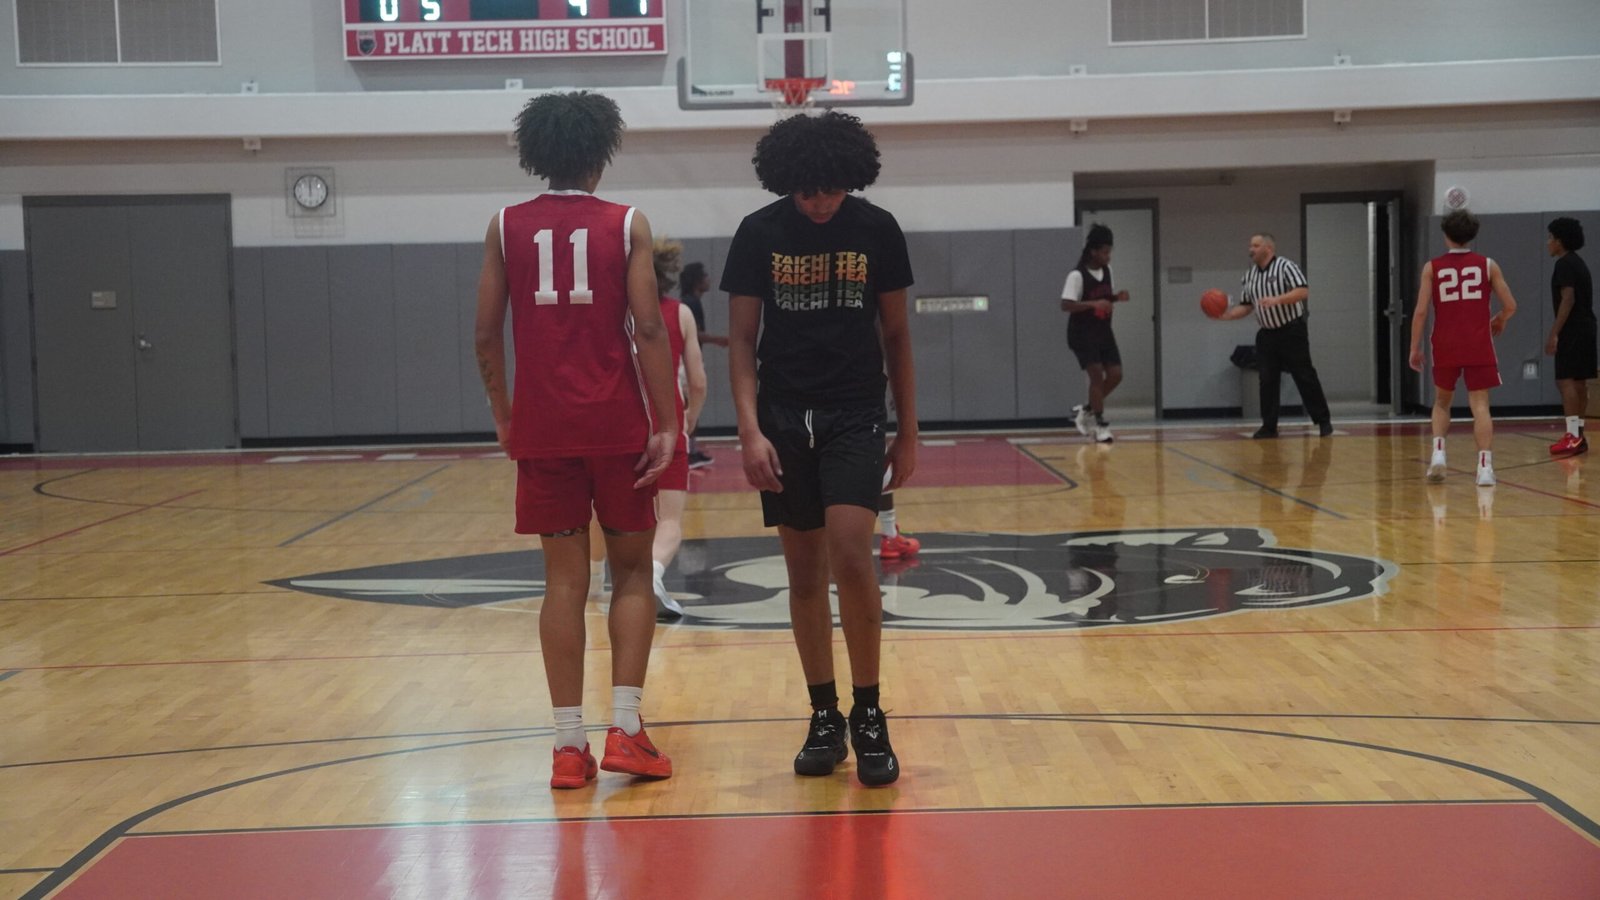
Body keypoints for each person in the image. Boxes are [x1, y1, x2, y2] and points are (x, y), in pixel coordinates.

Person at [474, 90, 679, 790]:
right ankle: (625, 731)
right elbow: (650, 329)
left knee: (562, 583)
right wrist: (668, 422)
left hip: (545, 428)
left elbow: (483, 332)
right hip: (616, 425)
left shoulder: (505, 225)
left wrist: (504, 413)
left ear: (537, 154)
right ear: (601, 153)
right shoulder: (627, 224)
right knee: (628, 572)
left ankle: (569, 747)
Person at [723, 109, 917, 787]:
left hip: (856, 412)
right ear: (787, 183)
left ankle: (869, 713)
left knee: (851, 554)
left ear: (851, 178)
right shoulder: (759, 233)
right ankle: (823, 715)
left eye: (831, 190)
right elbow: (743, 343)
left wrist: (910, 429)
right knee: (803, 574)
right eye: (808, 192)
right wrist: (748, 430)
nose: (820, 202)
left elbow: (896, 336)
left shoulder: (877, 229)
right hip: (781, 418)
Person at [1408, 210, 1518, 487]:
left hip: (1445, 343)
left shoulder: (1432, 267)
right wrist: (1500, 319)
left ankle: (1438, 456)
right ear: (1473, 234)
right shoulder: (1488, 265)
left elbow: (1420, 312)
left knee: (1442, 402)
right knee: (1480, 405)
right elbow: (1511, 305)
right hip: (1478, 343)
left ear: (1445, 235)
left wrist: (1414, 347)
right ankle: (1484, 468)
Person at [1213, 233, 1333, 438]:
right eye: (1250, 245)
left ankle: (1323, 421)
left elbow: (1303, 291)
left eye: (1255, 245)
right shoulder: (1250, 275)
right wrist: (1227, 316)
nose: (1251, 249)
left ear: (1268, 248)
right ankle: (1269, 426)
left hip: (1291, 331)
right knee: (1267, 380)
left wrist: (1278, 300)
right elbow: (1246, 305)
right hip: (1267, 334)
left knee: (1304, 376)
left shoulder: (1286, 266)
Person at [650, 239, 709, 619]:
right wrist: (690, 419)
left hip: (617, 427)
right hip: (668, 423)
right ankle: (653, 575)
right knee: (669, 519)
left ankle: (595, 581)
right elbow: (699, 382)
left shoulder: (607, 313)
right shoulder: (680, 313)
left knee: (610, 518)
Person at [1060, 224, 1126, 443]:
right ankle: (1099, 425)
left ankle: (1087, 410)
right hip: (1082, 333)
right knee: (1096, 375)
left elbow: (1105, 298)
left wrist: (1117, 298)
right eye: (1105, 251)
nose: (1109, 256)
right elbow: (1066, 304)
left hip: (1103, 331)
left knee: (1116, 375)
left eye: (1110, 251)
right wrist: (1093, 304)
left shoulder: (1108, 271)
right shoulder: (1077, 275)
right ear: (1093, 252)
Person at [1545, 217, 1593, 457]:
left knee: (1565, 381)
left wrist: (1554, 332)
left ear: (1560, 241)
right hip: (1587, 327)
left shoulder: (1563, 264)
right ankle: (1579, 435)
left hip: (1572, 329)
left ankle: (1572, 436)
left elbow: (1568, 298)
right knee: (1579, 382)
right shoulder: (1579, 263)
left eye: (1551, 238)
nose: (1548, 243)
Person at [678, 261, 726, 469]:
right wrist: (719, 340)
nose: (709, 279)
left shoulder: (692, 301)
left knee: (692, 406)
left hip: (690, 360)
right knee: (689, 406)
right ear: (697, 280)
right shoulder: (690, 303)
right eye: (705, 275)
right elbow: (694, 333)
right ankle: (687, 451)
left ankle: (692, 450)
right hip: (686, 362)